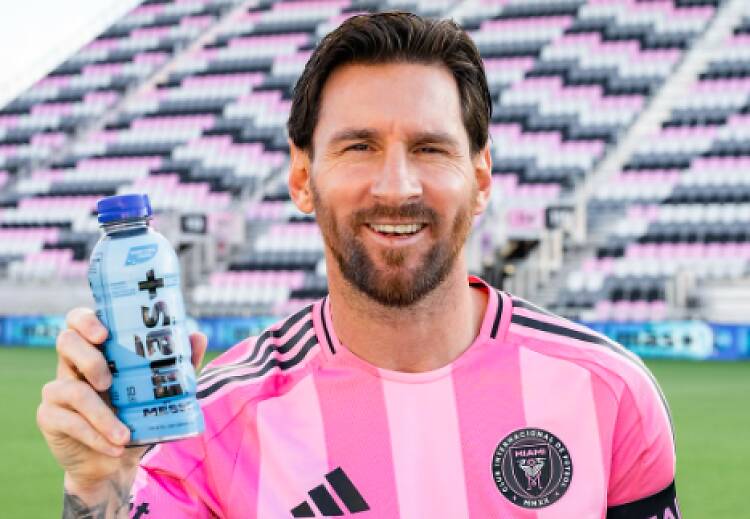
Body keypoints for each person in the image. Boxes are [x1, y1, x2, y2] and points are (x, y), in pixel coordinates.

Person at [38, 12, 680, 518]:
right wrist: (98, 485)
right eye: (358, 147)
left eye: (430, 148)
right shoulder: (213, 426)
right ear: (301, 178)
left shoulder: (608, 393)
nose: (396, 186)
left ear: (481, 178)